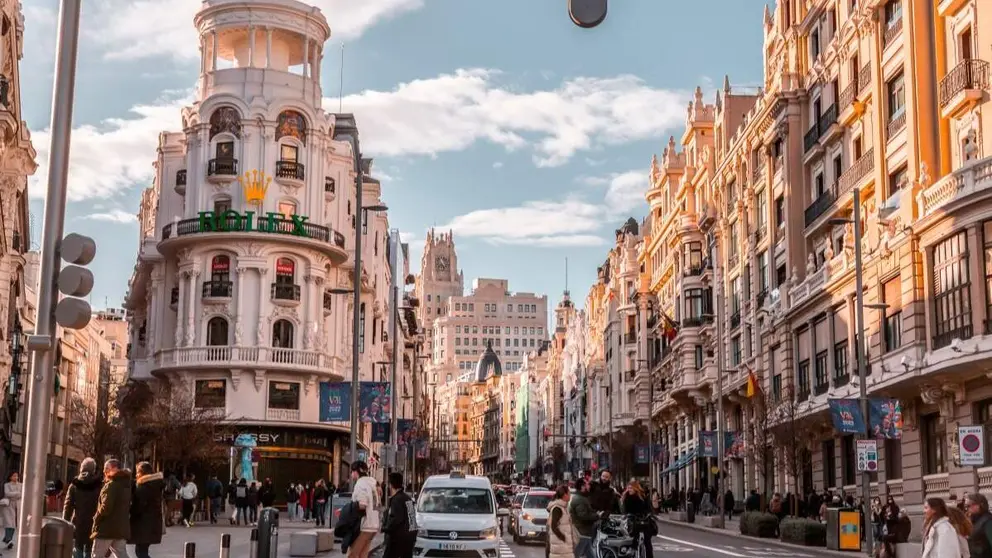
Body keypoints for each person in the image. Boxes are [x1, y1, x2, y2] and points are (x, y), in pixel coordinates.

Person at [90, 459, 131, 558]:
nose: (104, 471)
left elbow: (105, 508)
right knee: (121, 554)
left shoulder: (111, 485)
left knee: (97, 555)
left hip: (106, 529)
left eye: (107, 469)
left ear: (115, 469)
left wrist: (97, 517)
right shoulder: (126, 485)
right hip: (121, 529)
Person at [63, 457, 102, 558]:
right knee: (90, 549)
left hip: (78, 522)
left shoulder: (75, 485)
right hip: (94, 523)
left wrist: (65, 522)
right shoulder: (99, 485)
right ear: (93, 469)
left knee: (78, 548)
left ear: (81, 468)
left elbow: (68, 506)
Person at [129, 462, 164, 558]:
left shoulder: (143, 487)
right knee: (141, 551)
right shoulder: (154, 485)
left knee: (141, 552)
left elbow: (139, 507)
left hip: (143, 524)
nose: (136, 475)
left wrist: (131, 512)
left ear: (142, 473)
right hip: (152, 523)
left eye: (137, 472)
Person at [349, 461, 380, 558]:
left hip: (364, 525)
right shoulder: (373, 482)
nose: (351, 474)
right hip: (374, 524)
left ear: (356, 472)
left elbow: (362, 505)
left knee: (353, 555)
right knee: (363, 555)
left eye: (352, 471)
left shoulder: (361, 484)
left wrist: (348, 510)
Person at [382, 472, 416, 558]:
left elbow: (396, 518)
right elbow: (412, 519)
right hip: (409, 537)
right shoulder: (408, 498)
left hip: (398, 538)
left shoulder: (396, 500)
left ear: (390, 485)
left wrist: (385, 528)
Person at [621, 480, 654, 558]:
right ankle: (632, 551)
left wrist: (648, 514)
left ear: (636, 489)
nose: (629, 490)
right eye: (628, 488)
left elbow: (648, 508)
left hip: (644, 520)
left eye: (631, 488)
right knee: (632, 537)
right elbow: (625, 511)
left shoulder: (643, 497)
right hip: (633, 520)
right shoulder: (626, 497)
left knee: (647, 541)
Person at [569, 477, 599, 558]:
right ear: (582, 487)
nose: (589, 486)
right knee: (576, 554)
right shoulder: (579, 499)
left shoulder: (582, 498)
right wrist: (597, 516)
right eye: (587, 484)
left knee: (589, 553)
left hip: (585, 531)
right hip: (582, 532)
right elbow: (583, 516)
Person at [546, 485, 573, 558]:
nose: (570, 495)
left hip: (563, 547)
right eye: (569, 493)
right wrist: (563, 538)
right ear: (565, 495)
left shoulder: (564, 507)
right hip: (560, 547)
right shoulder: (557, 509)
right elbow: (553, 526)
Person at [966, 493, 992, 558]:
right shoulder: (976, 519)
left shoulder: (988, 521)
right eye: (966, 506)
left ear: (980, 505)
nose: (967, 508)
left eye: (969, 505)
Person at [0, 471, 21, 549]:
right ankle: (8, 540)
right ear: (10, 477)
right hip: (9, 506)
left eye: (17, 476)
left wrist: (13, 494)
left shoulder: (21, 485)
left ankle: (7, 539)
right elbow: (7, 493)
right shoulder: (7, 485)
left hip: (17, 506)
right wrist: (17, 493)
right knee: (9, 523)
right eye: (14, 476)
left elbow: (21, 494)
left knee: (14, 524)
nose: (16, 477)